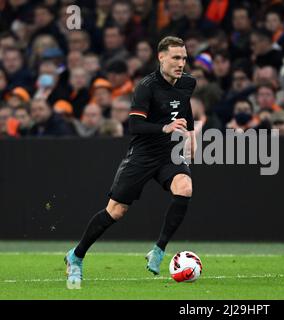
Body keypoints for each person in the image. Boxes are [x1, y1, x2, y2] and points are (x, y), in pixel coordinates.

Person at [64, 36, 197, 288]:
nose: (181, 63)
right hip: (142, 155)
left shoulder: (188, 83)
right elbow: (135, 125)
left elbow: (185, 111)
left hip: (169, 153)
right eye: (176, 58)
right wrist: (165, 127)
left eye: (184, 58)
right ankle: (76, 255)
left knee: (185, 188)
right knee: (116, 211)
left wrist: (191, 135)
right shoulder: (146, 86)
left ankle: (158, 250)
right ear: (161, 57)